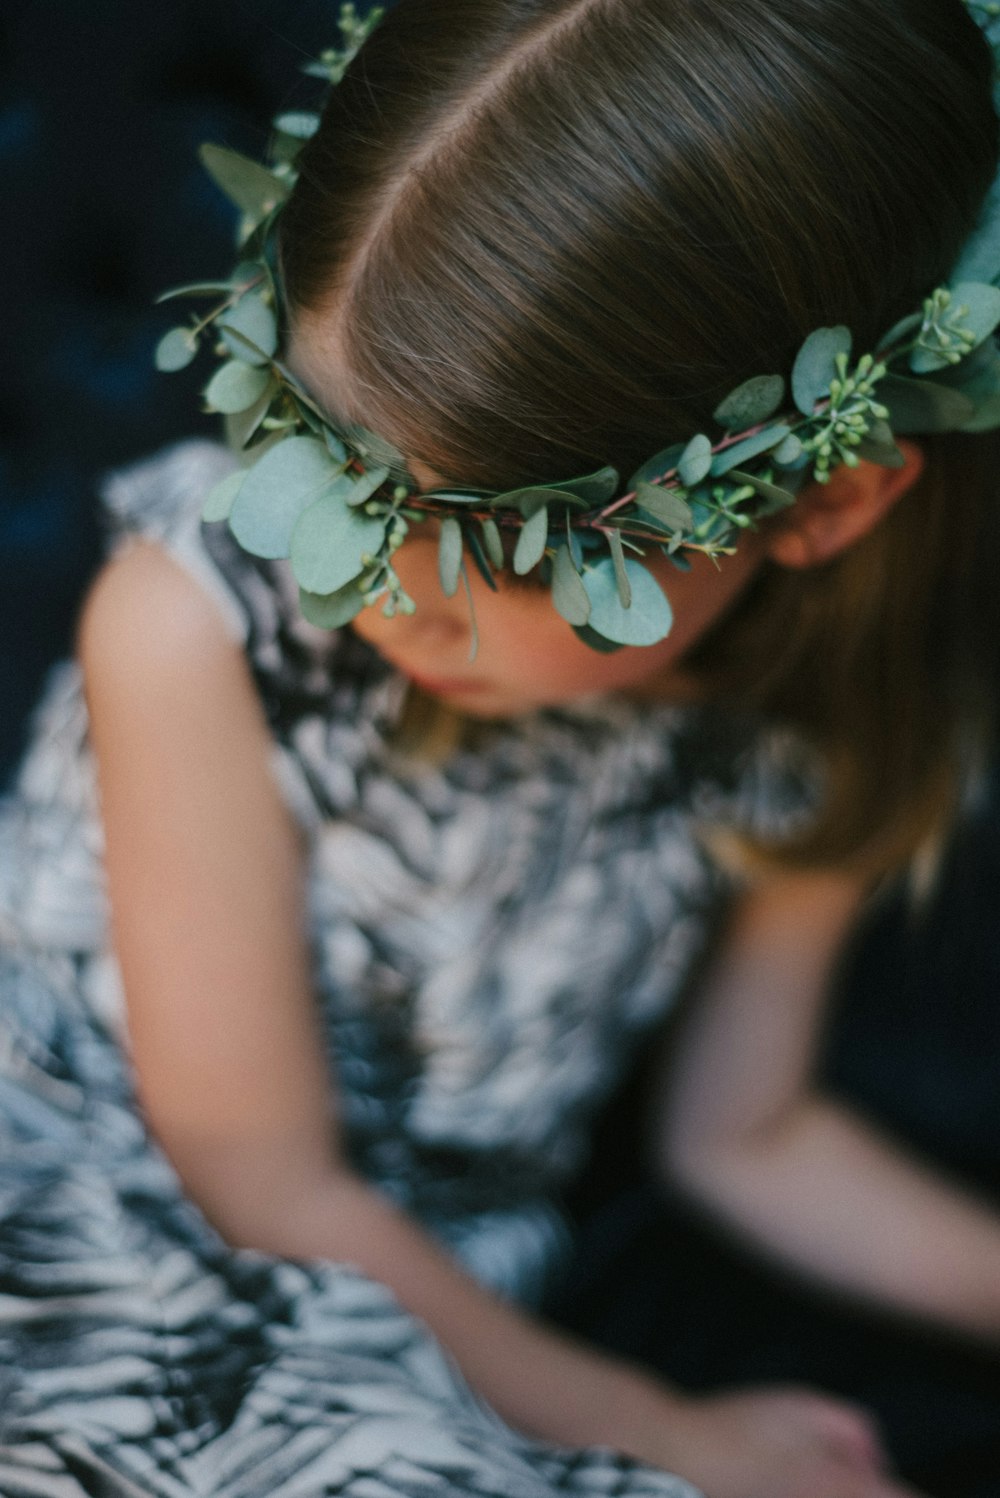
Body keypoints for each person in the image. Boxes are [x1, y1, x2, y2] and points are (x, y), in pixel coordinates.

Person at [2, 1, 1000, 1495]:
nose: (371, 587)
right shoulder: (193, 626)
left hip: (439, 1323)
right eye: (322, 452)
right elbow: (258, 1178)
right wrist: (675, 1431)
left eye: (497, 547)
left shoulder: (817, 719)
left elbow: (749, 1129)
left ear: (821, 504)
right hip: (94, 1235)